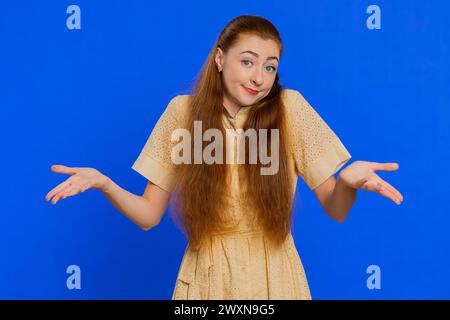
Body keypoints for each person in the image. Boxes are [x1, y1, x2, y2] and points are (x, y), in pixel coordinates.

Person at [45, 15, 403, 300]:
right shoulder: (182, 114)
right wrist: (105, 184)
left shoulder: (290, 109)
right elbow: (148, 216)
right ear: (220, 59)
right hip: (206, 280)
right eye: (248, 62)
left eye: (270, 66)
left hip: (275, 279)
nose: (259, 78)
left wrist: (346, 181)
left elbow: (336, 209)